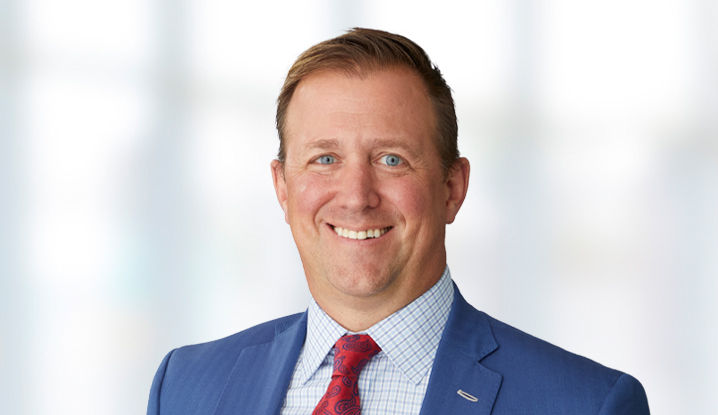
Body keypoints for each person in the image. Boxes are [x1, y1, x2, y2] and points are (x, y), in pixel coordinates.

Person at [147, 28, 649, 414]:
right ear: (282, 187)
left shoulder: (587, 404)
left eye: (391, 159)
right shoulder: (186, 386)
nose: (357, 196)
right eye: (325, 159)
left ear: (452, 188)